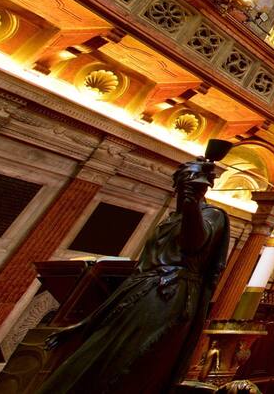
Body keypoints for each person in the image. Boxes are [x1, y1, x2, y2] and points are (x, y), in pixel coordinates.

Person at [39, 150, 231, 394]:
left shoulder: (212, 215)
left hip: (169, 295)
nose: (186, 190)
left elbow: (193, 243)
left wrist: (193, 206)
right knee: (91, 361)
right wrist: (85, 323)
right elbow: (139, 271)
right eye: (182, 184)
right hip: (139, 290)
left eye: (192, 185)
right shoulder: (169, 220)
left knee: (131, 363)